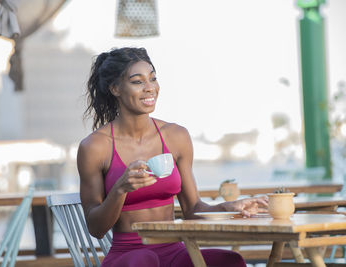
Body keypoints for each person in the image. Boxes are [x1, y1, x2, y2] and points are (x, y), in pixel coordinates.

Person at [77, 47, 268, 267]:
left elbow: (193, 210)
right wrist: (120, 189)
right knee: (145, 260)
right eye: (138, 82)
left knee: (230, 261)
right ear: (115, 88)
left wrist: (230, 207)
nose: (150, 88)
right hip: (128, 256)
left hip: (175, 251)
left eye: (153, 78)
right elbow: (96, 229)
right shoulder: (95, 147)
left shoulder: (177, 136)